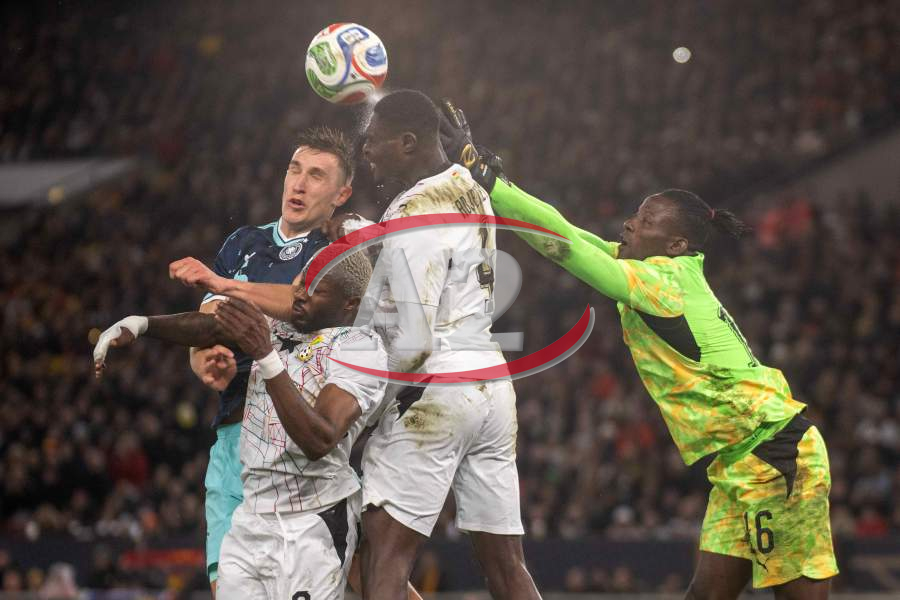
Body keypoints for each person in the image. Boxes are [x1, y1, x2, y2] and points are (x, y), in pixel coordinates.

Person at [439, 102, 839, 599]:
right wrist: (494, 183)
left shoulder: (662, 283)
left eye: (646, 220)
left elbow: (568, 248)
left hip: (774, 453)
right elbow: (562, 234)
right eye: (636, 214)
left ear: (676, 244)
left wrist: (489, 181)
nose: (630, 224)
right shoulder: (658, 271)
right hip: (739, 463)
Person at [94, 251, 386, 600]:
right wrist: (141, 325)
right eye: (300, 284)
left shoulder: (360, 349)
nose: (300, 295)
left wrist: (265, 355)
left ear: (349, 303)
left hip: (313, 521)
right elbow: (210, 326)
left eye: (316, 291)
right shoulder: (279, 322)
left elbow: (319, 439)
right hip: (251, 518)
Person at [358, 89, 541, 600]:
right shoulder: (471, 185)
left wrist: (365, 410)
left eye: (374, 140)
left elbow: (413, 341)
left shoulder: (415, 208)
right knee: (506, 565)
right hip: (491, 384)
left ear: (408, 142)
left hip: (436, 387)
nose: (365, 150)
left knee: (383, 553)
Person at [168, 126, 352, 593]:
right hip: (233, 439)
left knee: (369, 575)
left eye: (316, 175)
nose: (299, 184)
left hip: (297, 447)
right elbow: (208, 324)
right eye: (295, 170)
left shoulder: (340, 252)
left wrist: (226, 286)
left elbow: (301, 303)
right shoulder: (243, 243)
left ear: (341, 194)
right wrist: (204, 358)